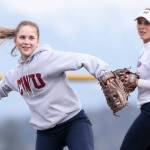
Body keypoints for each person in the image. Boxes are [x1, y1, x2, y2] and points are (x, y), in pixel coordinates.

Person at [0, 20, 109, 150]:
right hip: (46, 133)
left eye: (31, 38)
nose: (27, 41)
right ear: (15, 41)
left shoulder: (48, 59)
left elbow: (84, 59)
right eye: (22, 37)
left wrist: (105, 75)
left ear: (37, 42)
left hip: (73, 123)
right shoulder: (14, 75)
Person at [120, 8, 150, 150]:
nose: (142, 26)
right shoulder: (144, 50)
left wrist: (136, 81)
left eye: (147, 23)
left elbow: (139, 81)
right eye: (139, 22)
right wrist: (130, 79)